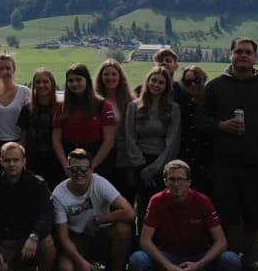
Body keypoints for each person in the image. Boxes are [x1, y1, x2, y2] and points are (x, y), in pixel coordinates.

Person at [195, 38, 258, 269]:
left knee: (255, 221)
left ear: (255, 57)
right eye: (238, 51)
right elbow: (200, 121)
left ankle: (248, 269)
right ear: (231, 55)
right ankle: (229, 267)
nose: (243, 55)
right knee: (227, 219)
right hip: (223, 166)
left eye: (248, 52)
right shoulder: (215, 87)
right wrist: (220, 125)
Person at [128, 159, 240, 271]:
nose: (176, 184)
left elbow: (221, 242)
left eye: (180, 179)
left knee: (231, 260)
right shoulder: (156, 201)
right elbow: (145, 240)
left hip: (199, 257)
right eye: (172, 179)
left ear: (189, 182)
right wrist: (169, 266)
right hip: (169, 256)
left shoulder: (202, 201)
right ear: (165, 182)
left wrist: (198, 266)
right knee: (138, 260)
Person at [51, 148, 136, 271]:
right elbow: (63, 238)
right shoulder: (59, 194)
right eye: (74, 169)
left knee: (123, 230)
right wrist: (81, 262)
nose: (79, 173)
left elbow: (130, 213)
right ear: (68, 170)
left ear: (91, 170)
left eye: (84, 168)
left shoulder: (100, 182)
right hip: (75, 238)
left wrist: (97, 220)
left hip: (100, 233)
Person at [0, 141, 56, 271]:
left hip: (33, 240)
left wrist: (34, 235)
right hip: (9, 240)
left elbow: (46, 215)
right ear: (1, 162)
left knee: (47, 241)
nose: (12, 164)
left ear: (24, 161)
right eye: (7, 160)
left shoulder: (38, 184)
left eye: (16, 160)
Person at [122, 66, 181, 205]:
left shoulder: (173, 109)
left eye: (161, 82)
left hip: (162, 163)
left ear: (166, 86)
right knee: (142, 205)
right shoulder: (133, 106)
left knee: (161, 205)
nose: (156, 85)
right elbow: (130, 137)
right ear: (147, 82)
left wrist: (153, 169)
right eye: (153, 80)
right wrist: (140, 166)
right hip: (139, 162)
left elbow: (173, 143)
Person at [52, 63, 116, 177]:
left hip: (97, 162)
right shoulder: (63, 107)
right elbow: (56, 140)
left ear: (87, 81)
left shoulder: (103, 105)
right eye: (70, 81)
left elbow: (109, 141)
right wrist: (66, 166)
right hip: (70, 160)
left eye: (78, 80)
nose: (74, 84)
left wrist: (91, 166)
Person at [17, 67, 62, 187]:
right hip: (33, 161)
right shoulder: (27, 109)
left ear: (52, 84)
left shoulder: (61, 108)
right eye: (38, 82)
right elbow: (23, 138)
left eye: (45, 81)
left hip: (56, 161)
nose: (41, 85)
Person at [176, 66, 213, 171]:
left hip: (208, 160)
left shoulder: (212, 103)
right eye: (188, 83)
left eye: (197, 81)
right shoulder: (182, 105)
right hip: (186, 159)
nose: (193, 85)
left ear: (204, 80)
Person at [0, 52, 29, 148]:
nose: (4, 72)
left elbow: (28, 123)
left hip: (18, 143)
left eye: (8, 68)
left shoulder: (25, 92)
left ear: (13, 70)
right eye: (1, 69)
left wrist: (21, 146)